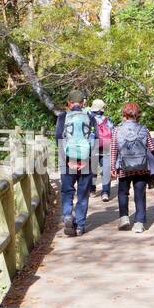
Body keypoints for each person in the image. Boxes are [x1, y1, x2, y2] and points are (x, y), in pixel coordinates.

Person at [109, 101, 154, 234]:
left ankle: (124, 217)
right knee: (139, 194)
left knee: (122, 192)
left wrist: (113, 166)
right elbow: (152, 148)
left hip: (123, 167)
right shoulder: (144, 129)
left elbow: (114, 149)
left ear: (124, 114)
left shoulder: (117, 130)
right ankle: (139, 223)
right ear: (137, 115)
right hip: (141, 167)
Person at [55, 90, 97, 236]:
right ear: (83, 103)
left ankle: (67, 215)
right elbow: (95, 139)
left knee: (67, 192)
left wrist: (67, 160)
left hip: (67, 161)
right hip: (86, 160)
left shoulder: (62, 117)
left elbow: (59, 139)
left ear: (69, 103)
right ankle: (80, 226)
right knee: (83, 194)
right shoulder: (90, 117)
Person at [89, 99, 114, 202]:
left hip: (93, 146)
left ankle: (92, 190)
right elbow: (112, 131)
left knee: (92, 169)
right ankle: (105, 193)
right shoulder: (107, 119)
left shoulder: (88, 119)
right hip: (106, 146)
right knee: (106, 170)